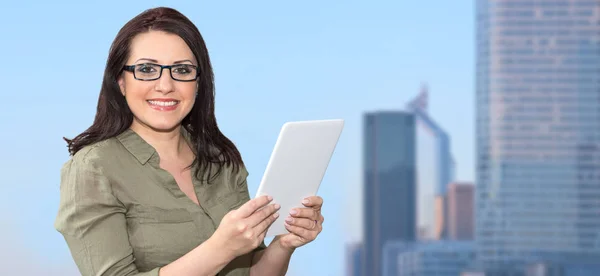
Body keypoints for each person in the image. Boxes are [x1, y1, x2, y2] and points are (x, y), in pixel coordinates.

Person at [54, 6, 325, 276]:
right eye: (147, 69)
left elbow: (251, 273)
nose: (165, 85)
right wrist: (220, 249)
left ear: (198, 82)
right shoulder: (92, 168)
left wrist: (285, 243)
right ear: (120, 82)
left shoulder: (221, 159)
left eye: (182, 70)